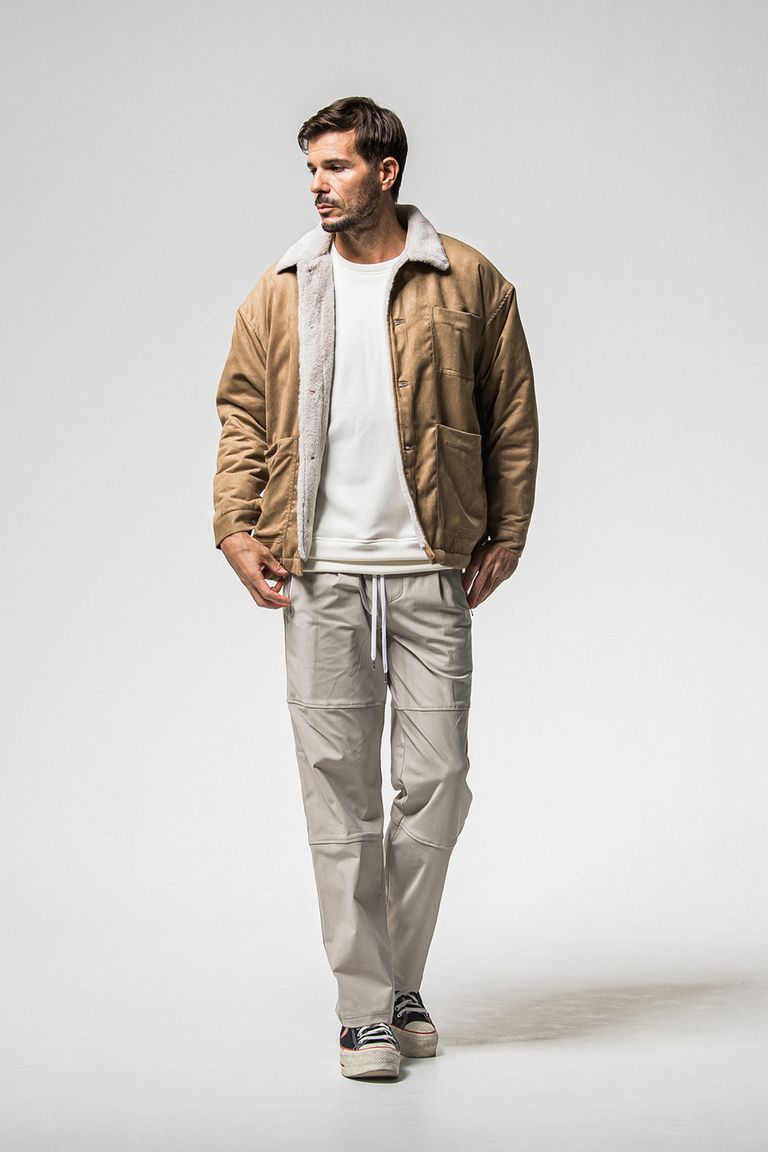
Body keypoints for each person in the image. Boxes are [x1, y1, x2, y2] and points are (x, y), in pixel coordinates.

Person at [212, 95, 539, 1080]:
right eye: (312, 169)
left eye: (337, 167)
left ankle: (395, 975)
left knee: (438, 784)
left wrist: (509, 530)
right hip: (319, 574)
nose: (318, 186)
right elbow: (241, 413)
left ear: (386, 172)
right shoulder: (280, 289)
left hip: (433, 566)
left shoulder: (469, 281)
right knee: (338, 799)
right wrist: (234, 524)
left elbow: (511, 415)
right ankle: (369, 1010)